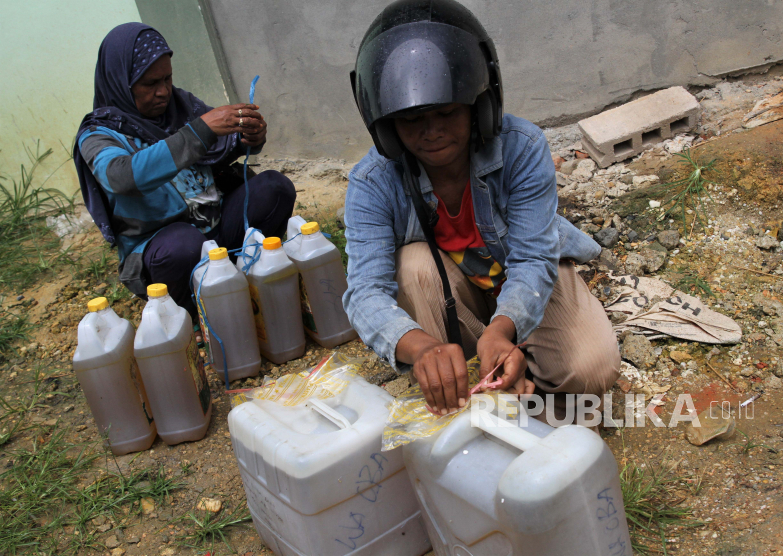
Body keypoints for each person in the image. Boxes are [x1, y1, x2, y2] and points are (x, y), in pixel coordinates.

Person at [344, 0, 620, 419]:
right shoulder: (372, 182)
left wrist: (502, 328)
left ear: (479, 106)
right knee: (414, 264)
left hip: (523, 278)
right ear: (386, 125)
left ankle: (516, 373)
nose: (432, 131)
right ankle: (468, 381)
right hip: (454, 295)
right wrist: (424, 349)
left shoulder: (522, 148)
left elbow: (531, 258)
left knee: (591, 370)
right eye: (412, 120)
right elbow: (365, 291)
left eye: (447, 112)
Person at [73, 23, 295, 316]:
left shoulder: (180, 106)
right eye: (150, 83)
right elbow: (122, 176)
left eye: (167, 78)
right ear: (121, 82)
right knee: (183, 244)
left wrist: (248, 139)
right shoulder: (99, 134)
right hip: (166, 251)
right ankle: (194, 315)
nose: (163, 91)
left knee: (274, 188)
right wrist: (200, 131)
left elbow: (218, 150)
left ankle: (255, 280)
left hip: (215, 231)